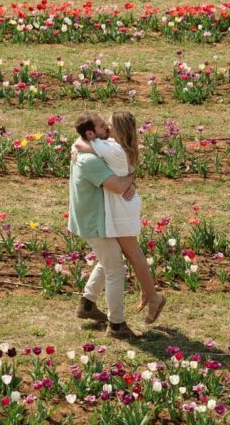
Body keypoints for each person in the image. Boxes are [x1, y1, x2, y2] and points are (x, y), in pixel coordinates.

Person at [72, 110, 166, 327]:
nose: (106, 127)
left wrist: (76, 148)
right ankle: (91, 302)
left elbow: (80, 145)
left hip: (120, 207)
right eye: (103, 125)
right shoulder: (119, 148)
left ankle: (152, 298)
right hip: (119, 206)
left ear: (119, 131)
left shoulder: (112, 148)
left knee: (132, 254)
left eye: (110, 125)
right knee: (117, 256)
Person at [68, 110, 138, 340]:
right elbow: (117, 186)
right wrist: (132, 176)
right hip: (95, 221)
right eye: (101, 126)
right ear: (91, 133)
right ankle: (117, 325)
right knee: (115, 269)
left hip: (90, 217)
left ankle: (87, 304)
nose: (107, 129)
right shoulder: (90, 160)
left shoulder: (87, 148)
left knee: (108, 259)